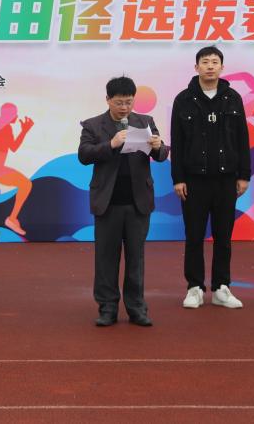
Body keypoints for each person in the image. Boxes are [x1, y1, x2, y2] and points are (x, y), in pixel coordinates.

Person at [79, 76, 168, 327]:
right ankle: (107, 308)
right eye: (119, 103)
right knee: (106, 259)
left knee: (136, 258)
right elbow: (84, 155)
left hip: (138, 201)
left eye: (129, 102)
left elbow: (162, 154)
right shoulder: (93, 125)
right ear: (108, 100)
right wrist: (111, 144)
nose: (124, 108)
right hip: (108, 202)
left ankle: (137, 308)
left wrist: (158, 146)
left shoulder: (145, 122)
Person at [171, 46, 251, 310]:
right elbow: (177, 142)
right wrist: (178, 178)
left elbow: (242, 138)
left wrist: (244, 175)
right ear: (196, 67)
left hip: (226, 180)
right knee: (194, 236)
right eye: (205, 62)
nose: (210, 66)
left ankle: (221, 287)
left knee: (223, 237)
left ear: (222, 68)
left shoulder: (233, 98)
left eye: (215, 62)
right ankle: (194, 288)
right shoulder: (183, 99)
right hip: (194, 180)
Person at [0, 102, 35, 236]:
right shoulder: (4, 127)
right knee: (25, 184)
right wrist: (24, 131)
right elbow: (14, 147)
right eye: (14, 114)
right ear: (8, 115)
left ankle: (12, 219)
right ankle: (12, 219)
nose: (17, 116)